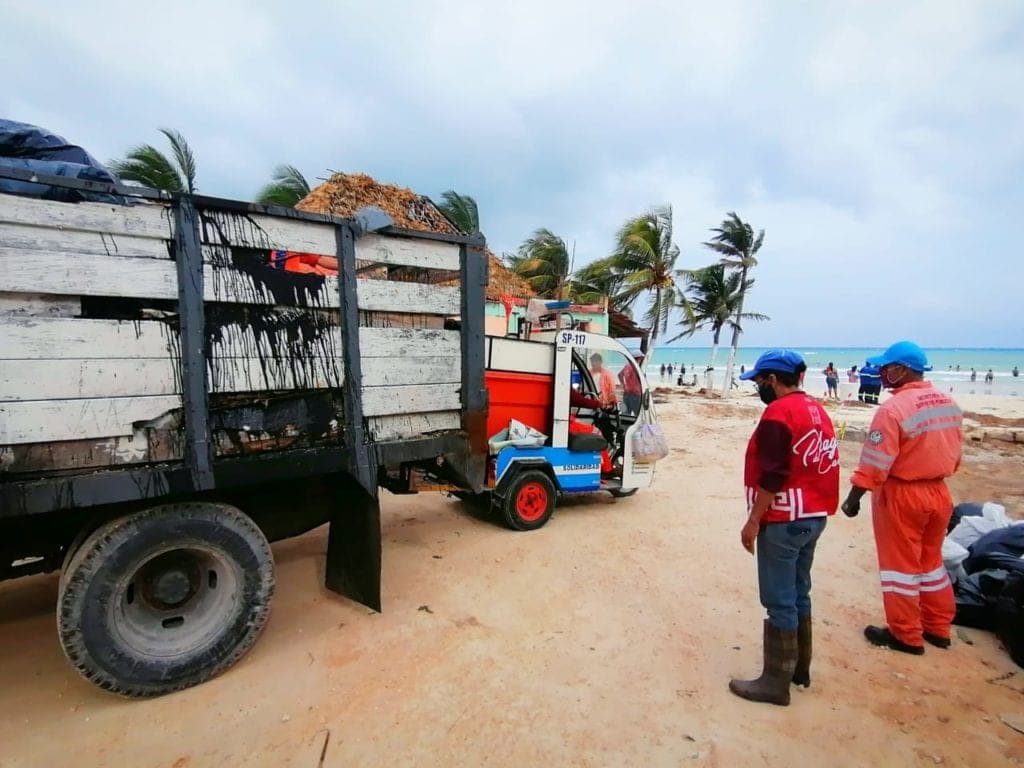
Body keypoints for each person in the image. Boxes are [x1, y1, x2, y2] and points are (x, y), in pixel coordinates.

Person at [729, 350, 840, 706]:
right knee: (799, 591)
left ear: (773, 379)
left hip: (784, 518)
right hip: (813, 514)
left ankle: (775, 683)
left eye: (760, 381)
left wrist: (753, 519)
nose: (759, 387)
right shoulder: (816, 410)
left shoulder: (778, 413)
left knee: (778, 599)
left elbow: (774, 474)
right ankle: (799, 669)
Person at [841, 341, 963, 655]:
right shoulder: (948, 403)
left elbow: (876, 461)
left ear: (902, 370)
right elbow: (955, 453)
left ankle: (906, 635)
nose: (880, 372)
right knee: (931, 563)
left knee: (900, 567)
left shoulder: (893, 409)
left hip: (903, 494)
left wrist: (854, 496)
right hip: (939, 492)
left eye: (886, 367)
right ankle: (938, 628)